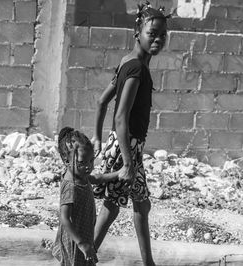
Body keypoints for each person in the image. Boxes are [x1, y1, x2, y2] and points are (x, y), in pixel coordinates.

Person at [91, 2, 170, 266]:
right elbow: (121, 116)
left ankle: (146, 263)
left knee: (135, 205)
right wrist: (127, 161)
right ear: (138, 33)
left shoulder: (127, 62)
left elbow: (102, 101)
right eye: (152, 34)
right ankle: (83, 258)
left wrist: (98, 138)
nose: (158, 39)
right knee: (120, 206)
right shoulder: (136, 69)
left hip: (122, 145)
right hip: (128, 147)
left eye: (162, 35)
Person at [52, 127, 121, 266]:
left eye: (91, 161)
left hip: (84, 233)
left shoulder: (80, 175)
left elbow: (96, 178)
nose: (88, 166)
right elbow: (64, 218)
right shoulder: (71, 186)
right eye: (82, 162)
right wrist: (82, 244)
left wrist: (118, 174)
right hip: (74, 240)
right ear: (66, 160)